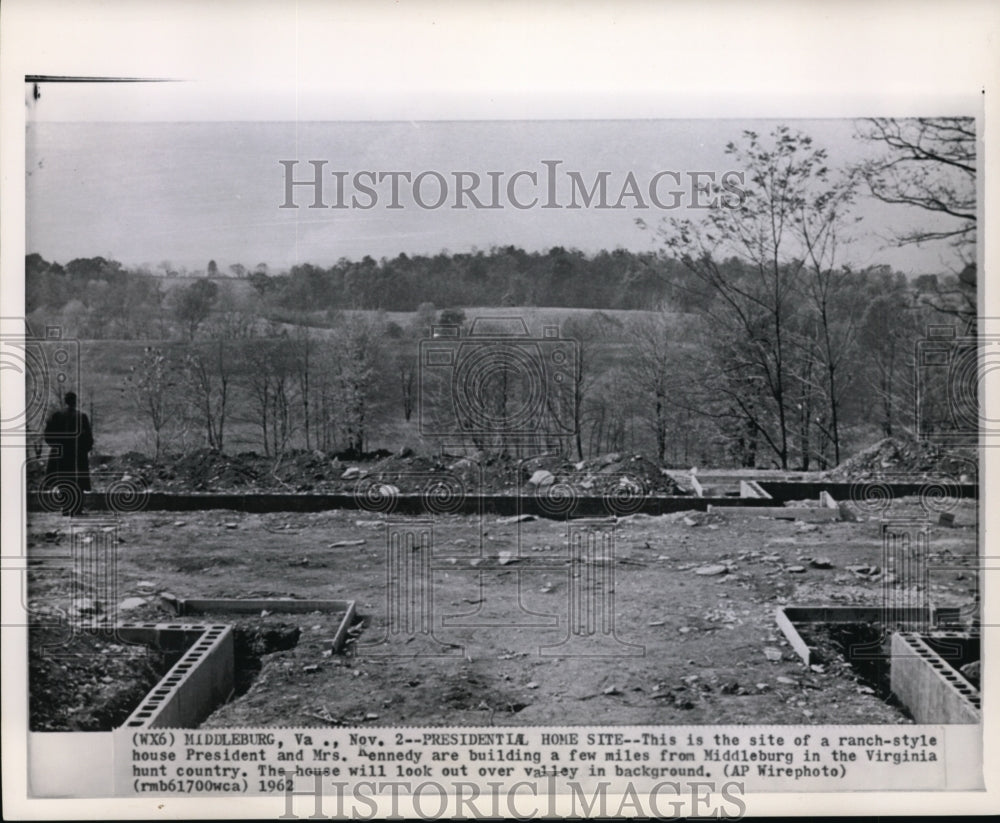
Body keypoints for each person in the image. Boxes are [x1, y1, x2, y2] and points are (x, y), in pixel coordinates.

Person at [43, 392, 93, 515]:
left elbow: (48, 434)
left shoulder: (56, 416)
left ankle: (65, 508)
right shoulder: (82, 416)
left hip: (61, 454)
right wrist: (84, 449)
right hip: (77, 454)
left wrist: (55, 446)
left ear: (65, 401)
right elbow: (88, 438)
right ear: (75, 401)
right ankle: (77, 508)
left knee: (63, 479)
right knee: (78, 481)